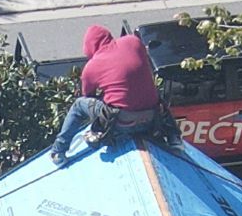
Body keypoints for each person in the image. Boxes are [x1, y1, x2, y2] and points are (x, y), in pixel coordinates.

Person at [53, 24, 164, 158]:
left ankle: (58, 151)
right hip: (152, 118)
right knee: (155, 94)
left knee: (79, 105)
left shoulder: (92, 66)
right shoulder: (133, 42)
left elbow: (88, 95)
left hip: (122, 123)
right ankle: (174, 137)